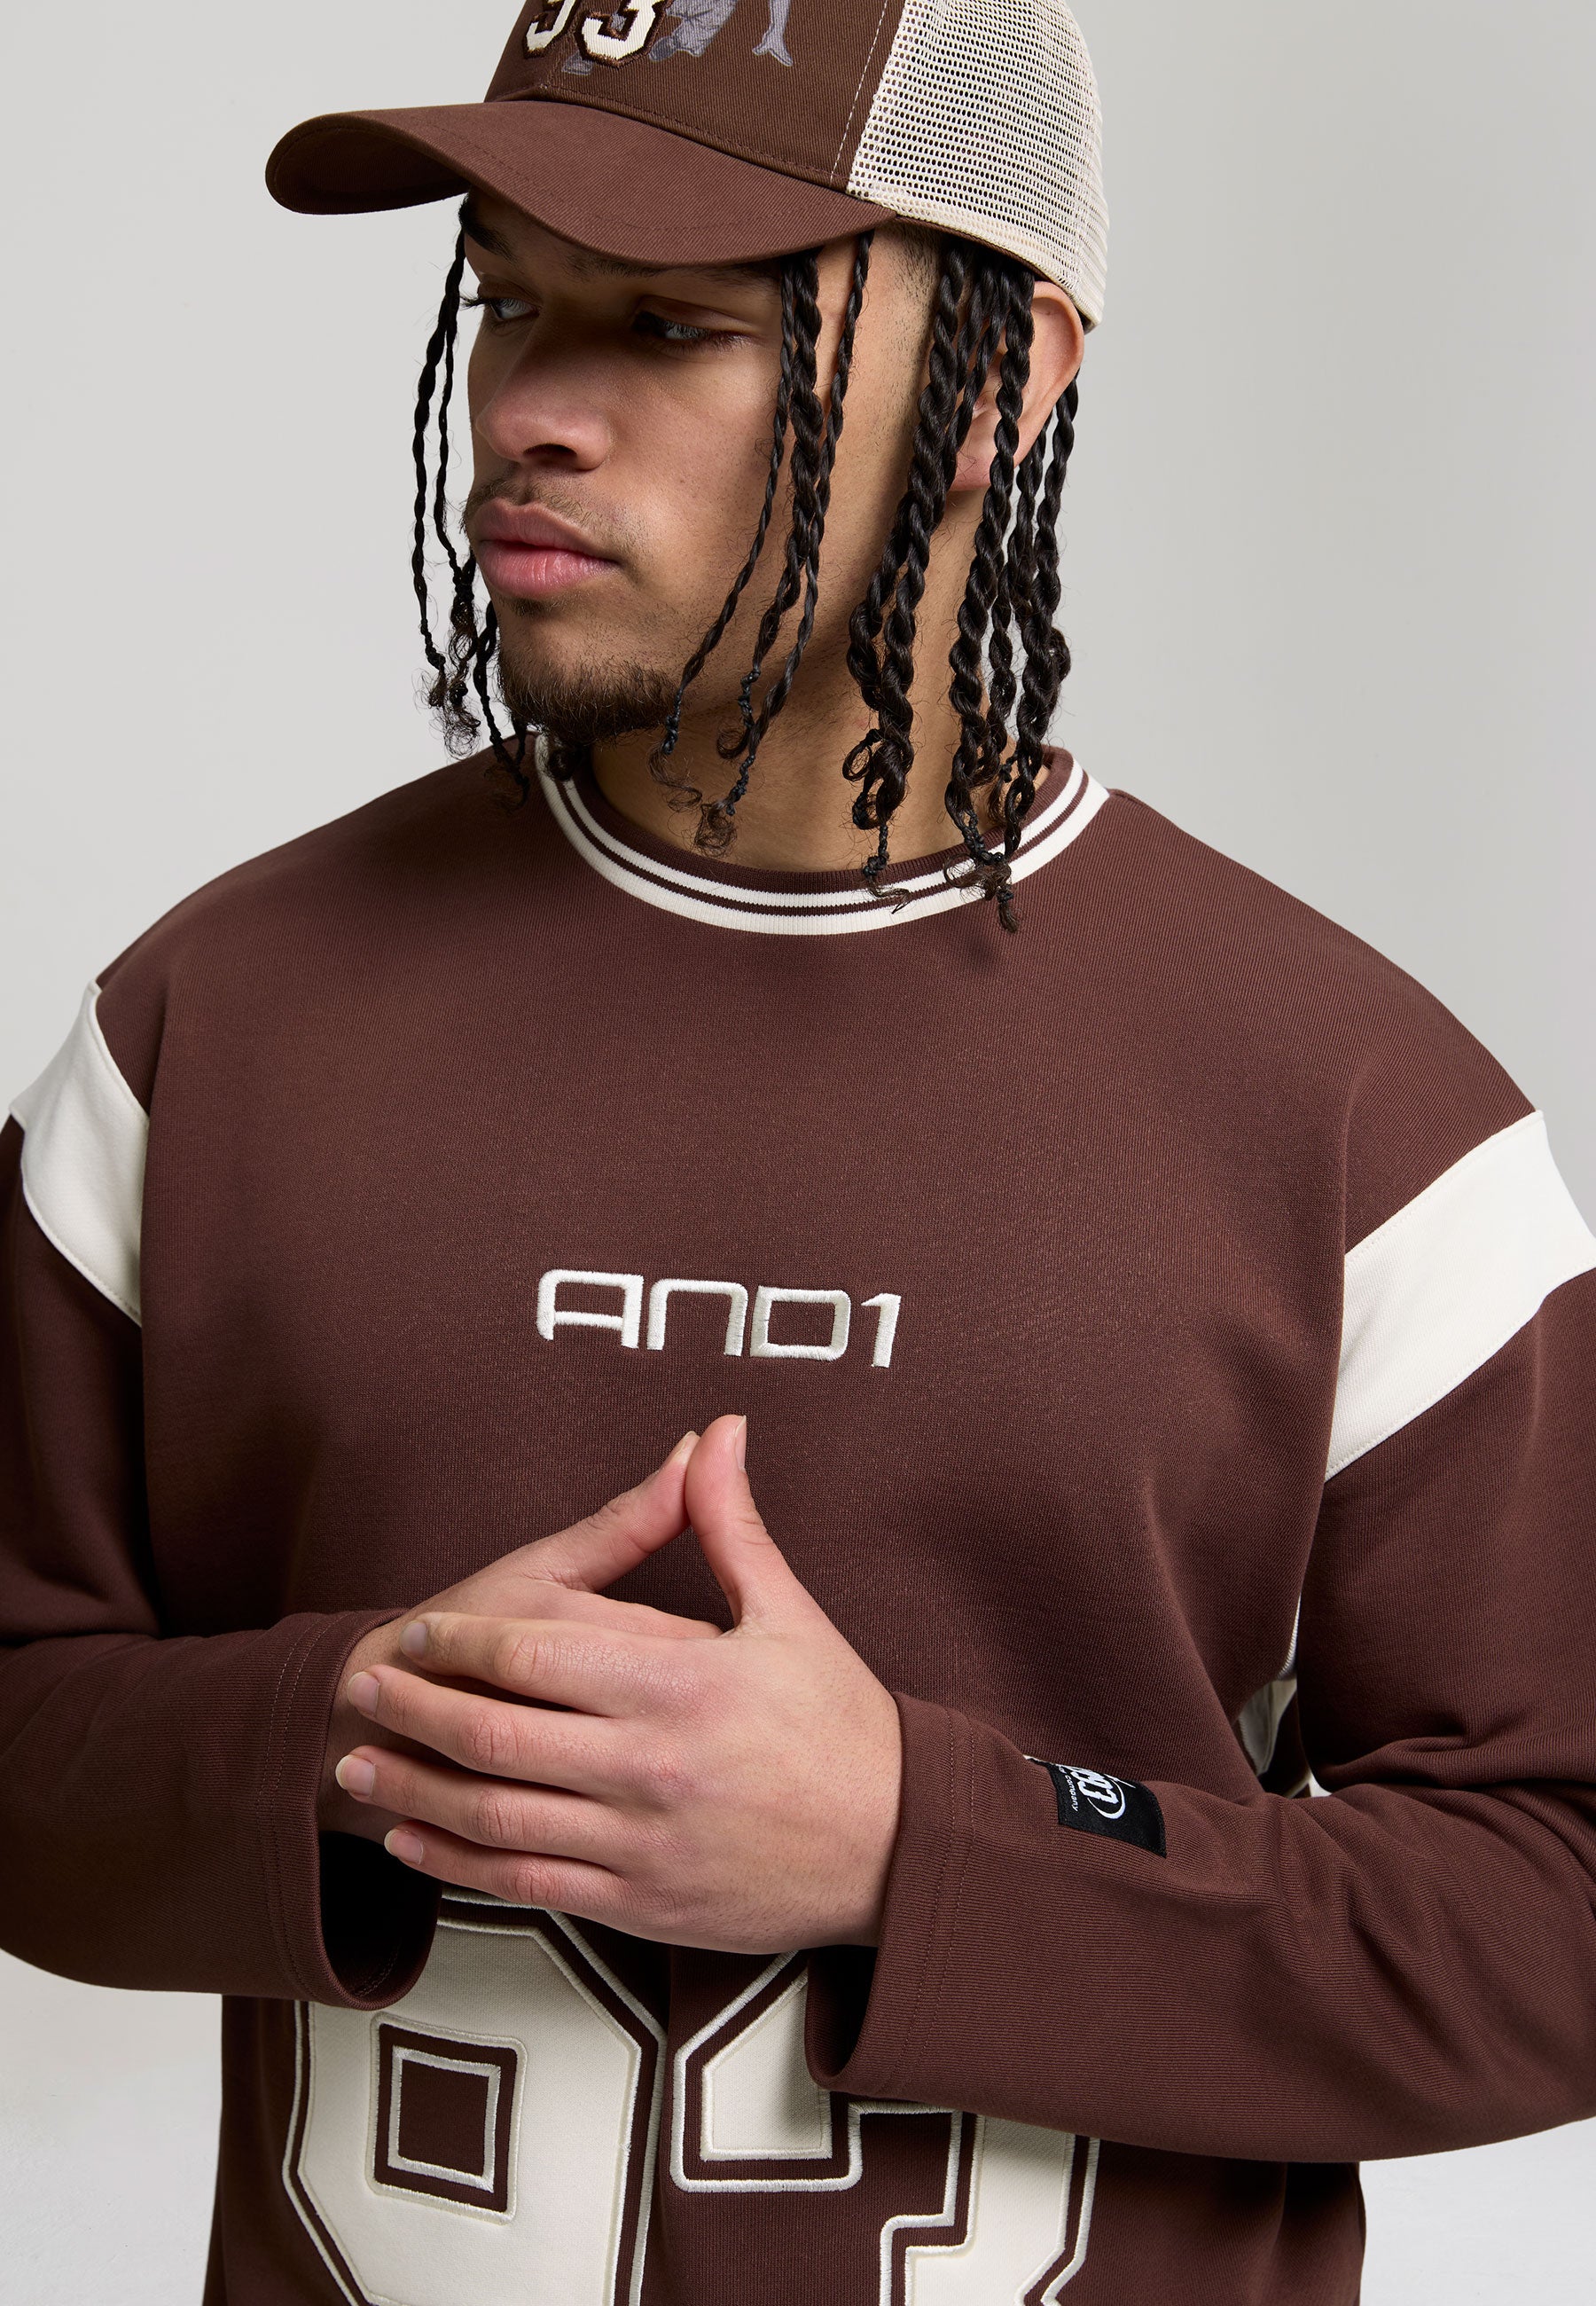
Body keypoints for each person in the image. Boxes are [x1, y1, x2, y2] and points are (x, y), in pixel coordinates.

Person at [3, 3, 1594, 2300]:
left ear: (1007, 371)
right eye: (509, 302)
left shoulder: (1354, 1116)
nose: (529, 410)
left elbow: (1560, 1894)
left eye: (669, 325)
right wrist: (350, 1739)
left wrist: (924, 1848)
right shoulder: (212, 1028)